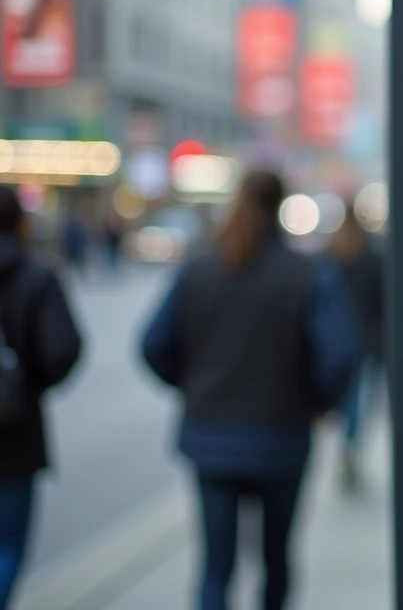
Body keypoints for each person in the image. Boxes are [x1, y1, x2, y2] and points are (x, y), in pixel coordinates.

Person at [141, 171, 359, 610]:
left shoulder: (198, 269)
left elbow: (152, 345)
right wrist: (316, 401)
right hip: (282, 438)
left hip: (210, 437)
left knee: (215, 567)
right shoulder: (307, 273)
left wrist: (192, 385)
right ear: (280, 205)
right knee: (275, 559)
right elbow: (340, 354)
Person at [0, 186, 83, 609]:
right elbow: (62, 350)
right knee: (7, 544)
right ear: (20, 222)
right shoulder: (36, 275)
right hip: (14, 435)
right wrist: (25, 385)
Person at [324, 199, 385, 492]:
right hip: (367, 343)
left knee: (349, 401)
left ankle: (347, 445)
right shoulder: (372, 255)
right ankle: (351, 446)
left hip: (339, 340)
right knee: (362, 402)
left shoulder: (330, 254)